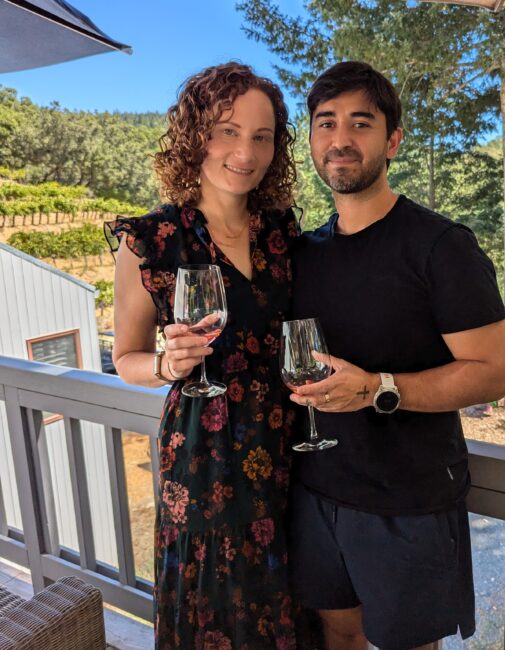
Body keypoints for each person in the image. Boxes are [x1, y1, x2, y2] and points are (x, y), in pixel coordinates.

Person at [288, 61, 505, 650]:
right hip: (315, 490)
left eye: (360, 123)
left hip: (408, 498)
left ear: (392, 140)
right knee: (336, 631)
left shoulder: (442, 246)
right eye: (325, 122)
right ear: (311, 139)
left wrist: (378, 388)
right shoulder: (303, 254)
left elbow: (492, 374)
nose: (340, 139)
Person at [108, 62, 301, 649]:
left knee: (284, 601)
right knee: (216, 607)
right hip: (204, 455)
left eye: (262, 136)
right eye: (227, 130)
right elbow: (127, 358)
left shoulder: (282, 230)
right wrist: (167, 365)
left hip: (287, 446)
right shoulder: (152, 239)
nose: (246, 151)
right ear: (195, 135)